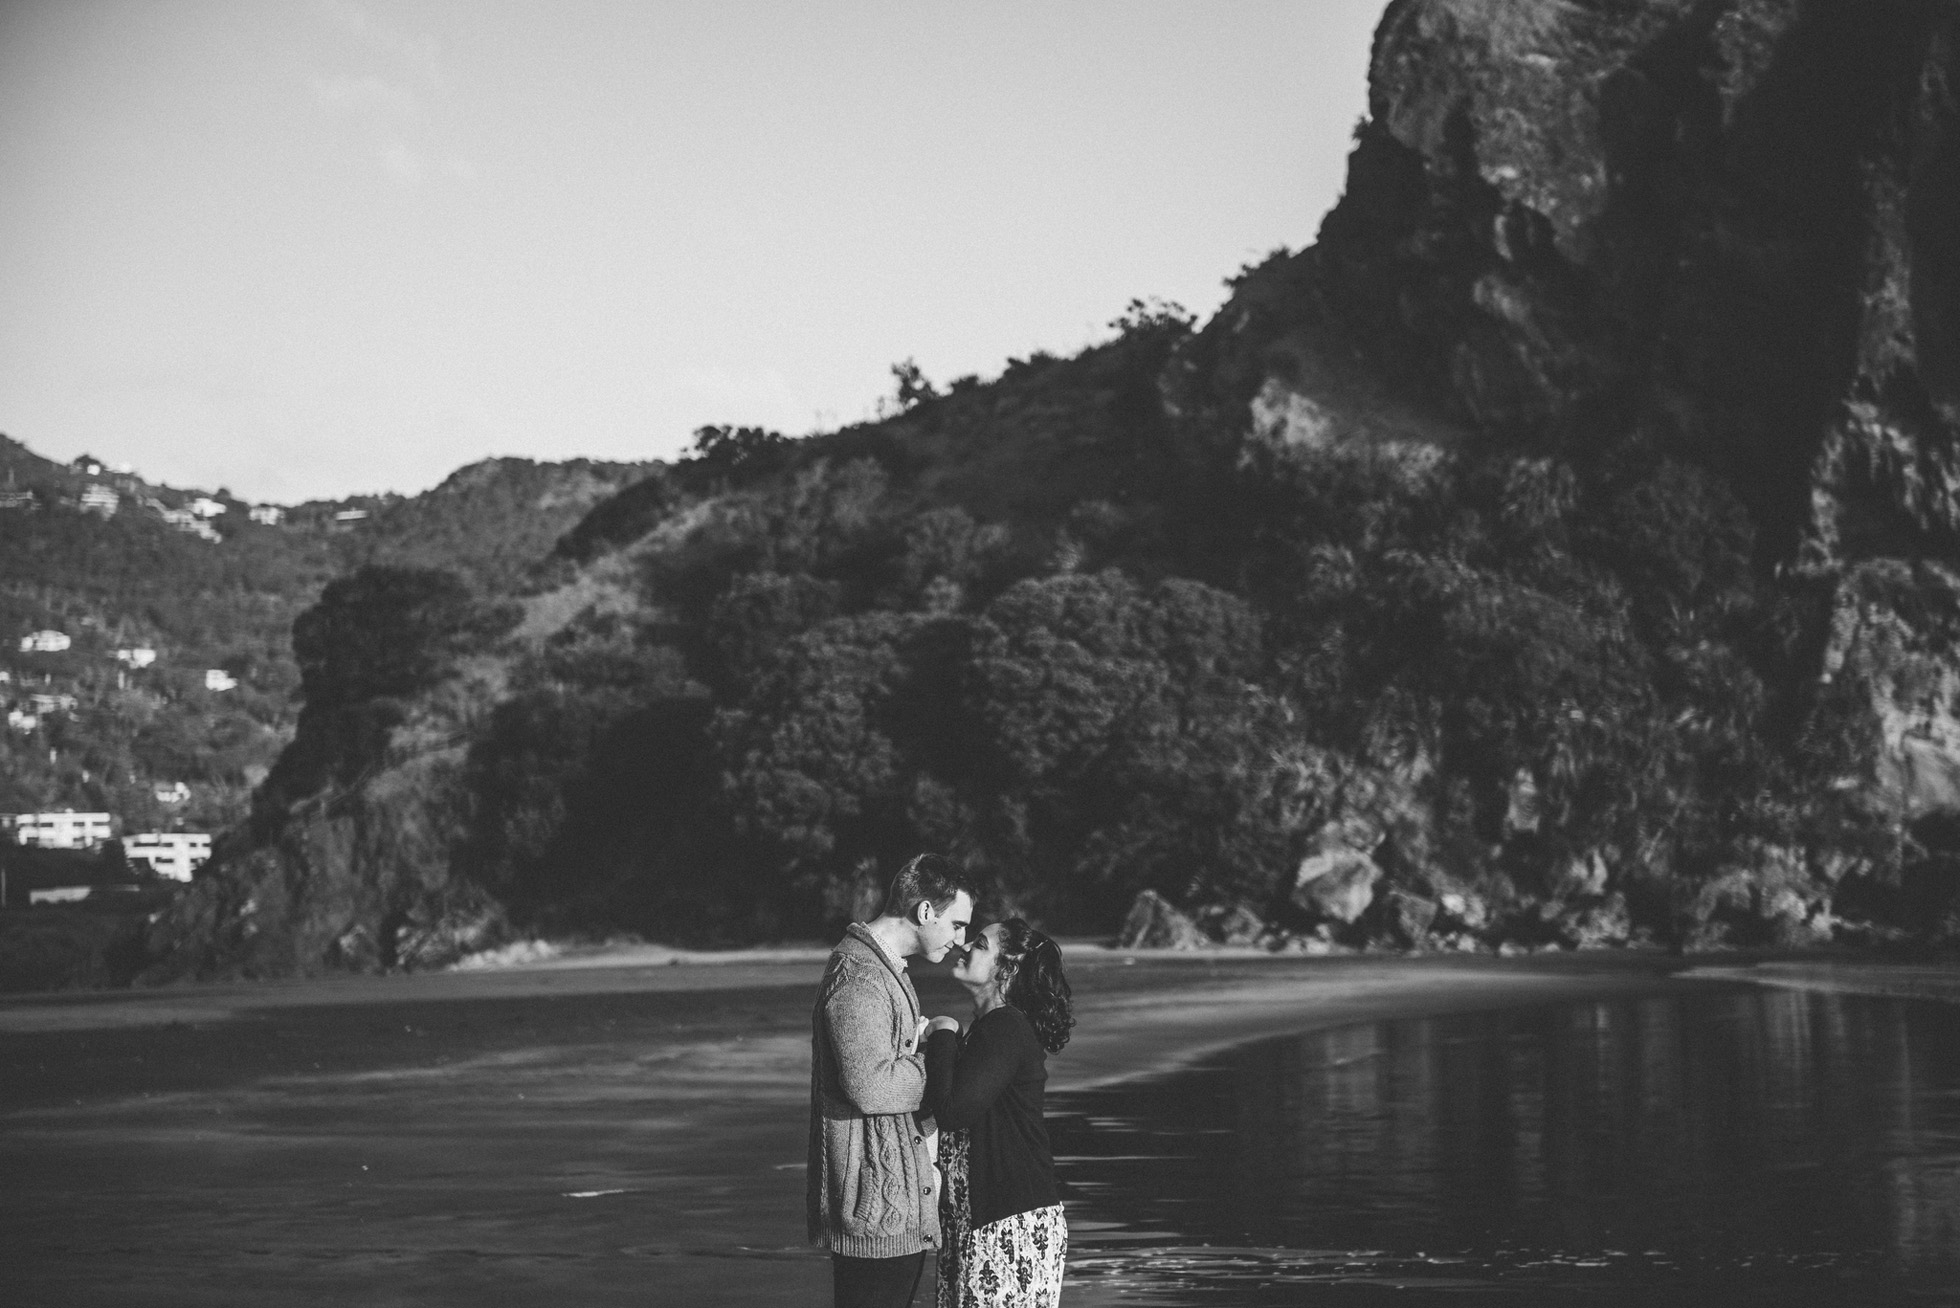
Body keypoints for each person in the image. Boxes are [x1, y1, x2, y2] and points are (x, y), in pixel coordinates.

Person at [810, 853, 977, 1308]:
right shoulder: (860, 977)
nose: (962, 941)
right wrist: (939, 1061)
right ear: (925, 912)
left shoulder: (883, 970)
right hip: (874, 1207)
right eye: (957, 925)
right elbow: (870, 1085)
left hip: (891, 1201)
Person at [922, 919, 1075, 1308]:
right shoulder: (989, 1029)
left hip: (1008, 1223)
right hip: (979, 1221)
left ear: (1007, 969)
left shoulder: (1005, 1026)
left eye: (981, 944)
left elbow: (954, 1110)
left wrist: (942, 1031)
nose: (965, 946)